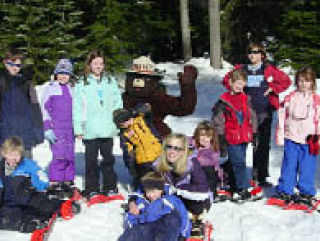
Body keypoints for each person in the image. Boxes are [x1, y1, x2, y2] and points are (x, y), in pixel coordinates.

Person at [222, 42, 291, 187]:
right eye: (250, 52)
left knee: (262, 145)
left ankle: (260, 176)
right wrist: (236, 91)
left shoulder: (269, 69)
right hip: (244, 114)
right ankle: (233, 173)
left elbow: (286, 81)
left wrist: (273, 88)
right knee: (240, 143)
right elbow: (226, 80)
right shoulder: (241, 69)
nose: (253, 55)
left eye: (256, 52)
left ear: (262, 55)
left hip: (264, 112)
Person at [0, 136, 80, 233]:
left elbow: (42, 177)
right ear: (4, 154)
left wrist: (37, 183)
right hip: (10, 204)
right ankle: (26, 225)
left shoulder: (28, 165)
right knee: (6, 217)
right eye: (10, 154)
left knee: (42, 204)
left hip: (29, 198)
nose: (14, 158)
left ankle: (64, 206)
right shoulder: (1, 169)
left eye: (16, 154)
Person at [73, 50, 123, 199]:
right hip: (90, 128)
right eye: (95, 63)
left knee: (108, 159)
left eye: (101, 63)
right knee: (91, 161)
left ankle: (110, 186)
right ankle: (92, 188)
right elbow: (77, 107)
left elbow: (117, 103)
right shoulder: (82, 83)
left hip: (108, 127)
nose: (98, 66)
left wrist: (118, 122)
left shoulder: (110, 81)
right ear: (89, 64)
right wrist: (78, 128)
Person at [274, 66, 320, 206]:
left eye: (306, 81)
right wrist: (281, 135)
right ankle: (285, 190)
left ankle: (306, 192)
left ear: (312, 82)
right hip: (291, 138)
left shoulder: (316, 100)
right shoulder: (290, 98)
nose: (303, 84)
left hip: (309, 139)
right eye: (300, 80)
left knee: (307, 167)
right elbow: (282, 117)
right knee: (289, 165)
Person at [122, 56, 198, 138]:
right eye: (136, 77)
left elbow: (184, 108)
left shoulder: (158, 98)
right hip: (133, 140)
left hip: (157, 140)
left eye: (145, 78)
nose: (139, 81)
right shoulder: (124, 98)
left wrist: (187, 86)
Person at [212, 69, 258, 202]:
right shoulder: (224, 101)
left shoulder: (245, 99)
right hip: (231, 138)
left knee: (238, 162)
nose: (240, 86)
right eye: (237, 83)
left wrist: (254, 132)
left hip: (244, 137)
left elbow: (252, 116)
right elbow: (218, 121)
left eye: (243, 83)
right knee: (239, 163)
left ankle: (229, 180)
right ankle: (241, 188)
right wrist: (221, 138)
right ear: (230, 82)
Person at [153, 133, 210, 237]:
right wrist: (133, 201)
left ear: (184, 151)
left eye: (177, 148)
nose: (172, 152)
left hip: (193, 201)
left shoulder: (192, 164)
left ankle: (196, 222)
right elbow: (146, 186)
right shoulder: (158, 165)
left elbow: (203, 189)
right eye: (169, 147)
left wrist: (177, 189)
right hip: (171, 201)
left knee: (196, 205)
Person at [118, 171, 191, 241]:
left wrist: (183, 235)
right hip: (149, 229)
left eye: (153, 191)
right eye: (148, 191)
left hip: (167, 231)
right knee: (132, 233)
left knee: (173, 218)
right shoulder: (141, 202)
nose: (150, 195)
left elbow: (184, 216)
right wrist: (134, 214)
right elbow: (130, 220)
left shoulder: (171, 200)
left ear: (161, 190)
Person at [41, 59, 75, 198]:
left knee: (69, 155)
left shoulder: (72, 89)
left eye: (66, 74)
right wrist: (47, 127)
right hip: (56, 129)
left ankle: (67, 181)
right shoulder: (50, 89)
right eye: (60, 73)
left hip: (70, 129)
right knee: (59, 155)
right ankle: (55, 181)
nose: (63, 77)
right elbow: (43, 109)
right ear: (55, 74)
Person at [0, 48, 44, 158]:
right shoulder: (1, 81)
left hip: (25, 134)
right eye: (12, 64)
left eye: (18, 65)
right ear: (5, 63)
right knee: (6, 169)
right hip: (5, 134)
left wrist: (38, 130)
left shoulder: (26, 83)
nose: (15, 68)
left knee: (25, 168)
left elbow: (35, 108)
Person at [113, 104, 162, 188]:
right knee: (147, 181)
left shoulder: (142, 120)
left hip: (158, 154)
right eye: (122, 124)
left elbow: (147, 107)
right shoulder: (125, 134)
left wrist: (132, 112)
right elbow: (127, 152)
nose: (127, 124)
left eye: (127, 119)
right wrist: (131, 167)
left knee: (161, 177)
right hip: (143, 161)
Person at [190, 121, 224, 195]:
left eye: (208, 136)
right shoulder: (191, 143)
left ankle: (209, 192)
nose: (205, 139)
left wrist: (198, 158)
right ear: (197, 135)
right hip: (191, 172)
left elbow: (212, 162)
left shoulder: (212, 149)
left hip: (208, 174)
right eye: (202, 135)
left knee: (208, 169)